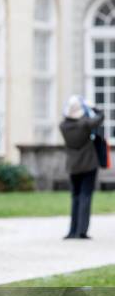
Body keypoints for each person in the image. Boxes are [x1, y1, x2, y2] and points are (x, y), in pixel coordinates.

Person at [59, 95, 105, 239]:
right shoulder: (84, 124)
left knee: (75, 197)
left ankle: (72, 231)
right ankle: (81, 231)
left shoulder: (63, 126)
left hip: (73, 166)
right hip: (88, 165)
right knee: (85, 196)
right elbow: (100, 117)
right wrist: (92, 107)